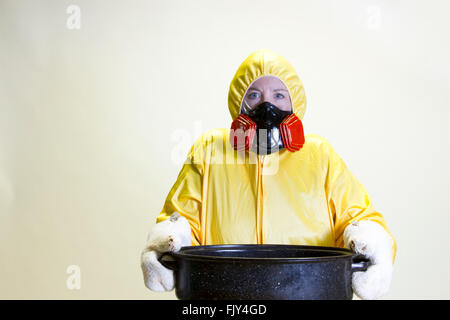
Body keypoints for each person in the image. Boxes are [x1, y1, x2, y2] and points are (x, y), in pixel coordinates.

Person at [140, 49, 397, 300]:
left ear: (294, 102)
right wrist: (168, 243)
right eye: (254, 95)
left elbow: (356, 219)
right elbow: (183, 218)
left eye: (279, 95)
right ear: (238, 104)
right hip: (225, 294)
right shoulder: (210, 150)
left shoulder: (319, 155)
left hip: (307, 290)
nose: (267, 106)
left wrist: (369, 244)